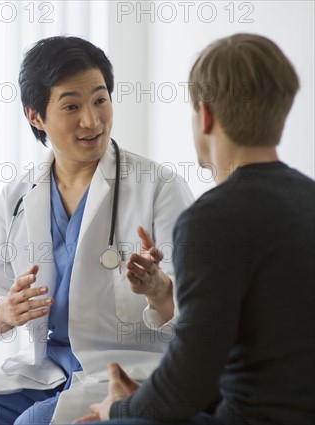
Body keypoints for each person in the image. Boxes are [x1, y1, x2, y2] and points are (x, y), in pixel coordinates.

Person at [0, 36, 194, 425]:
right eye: (71, 106)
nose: (91, 120)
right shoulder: (18, 196)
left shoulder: (158, 187)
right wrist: (7, 311)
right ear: (36, 116)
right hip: (45, 372)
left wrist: (159, 290)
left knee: (34, 422)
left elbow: (199, 311)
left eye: (100, 100)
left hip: (126, 371)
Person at [75, 33, 315, 425]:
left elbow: (190, 382)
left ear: (205, 116)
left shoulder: (212, 220)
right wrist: (148, 398)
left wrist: (117, 409)